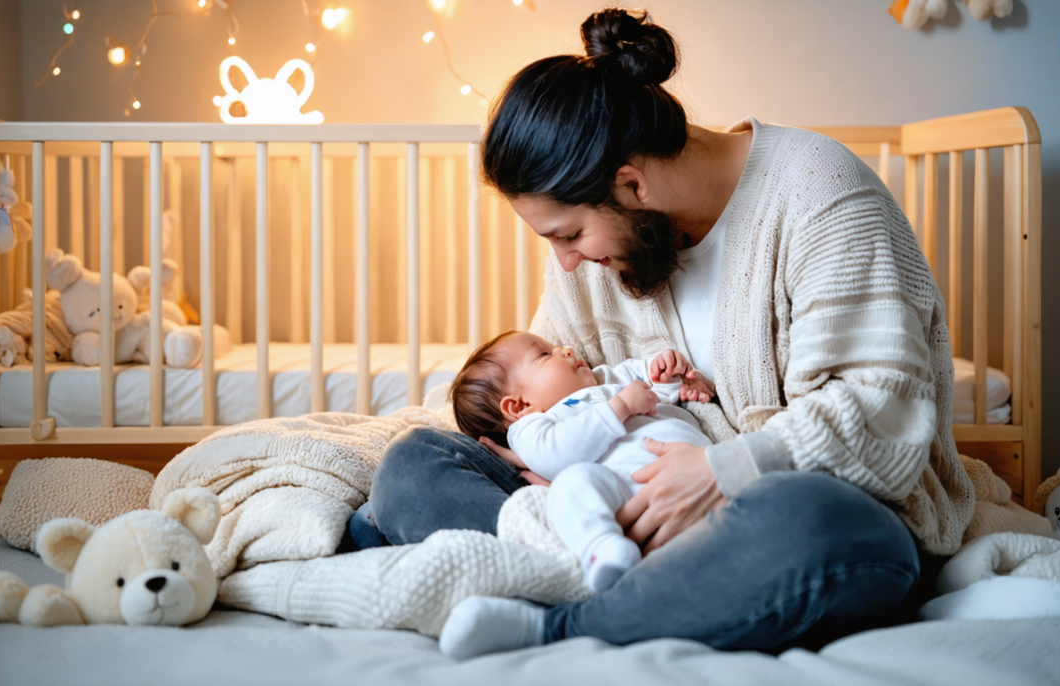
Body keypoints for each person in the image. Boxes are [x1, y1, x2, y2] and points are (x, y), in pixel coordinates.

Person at [368, 7, 975, 657]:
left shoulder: (821, 196)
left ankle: (560, 622)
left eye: (570, 235)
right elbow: (547, 394)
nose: (567, 262)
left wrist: (723, 471)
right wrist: (534, 458)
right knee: (414, 464)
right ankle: (625, 583)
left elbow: (883, 406)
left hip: (773, 514)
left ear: (632, 183)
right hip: (617, 510)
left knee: (822, 528)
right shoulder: (594, 257)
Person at [449, 331, 711, 593]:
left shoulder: (604, 379)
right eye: (544, 354)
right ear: (520, 406)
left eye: (554, 347)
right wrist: (620, 406)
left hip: (697, 471)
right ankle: (604, 549)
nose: (566, 349)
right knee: (571, 485)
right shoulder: (532, 426)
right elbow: (553, 454)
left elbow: (654, 385)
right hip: (624, 490)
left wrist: (667, 373)